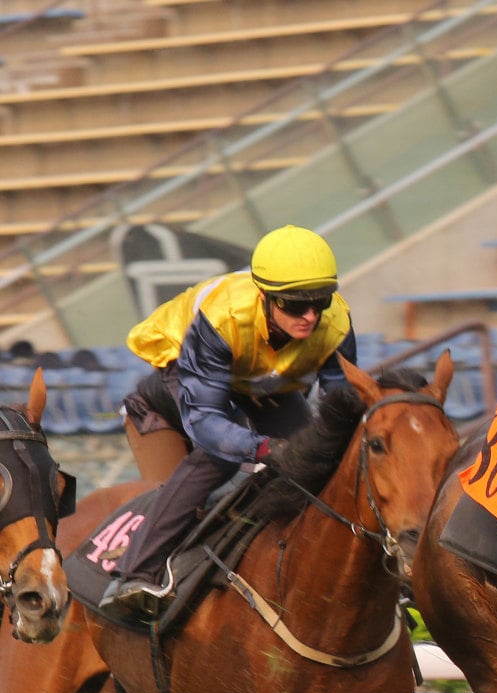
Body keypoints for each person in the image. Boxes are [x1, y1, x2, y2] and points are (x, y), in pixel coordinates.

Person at [101, 224, 358, 619]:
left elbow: (342, 406)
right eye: (293, 305)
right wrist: (263, 448)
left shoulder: (336, 320)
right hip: (187, 368)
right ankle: (135, 573)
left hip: (260, 378)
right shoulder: (222, 318)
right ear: (265, 297)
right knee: (218, 456)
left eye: (319, 302)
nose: (309, 316)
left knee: (317, 460)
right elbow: (206, 420)